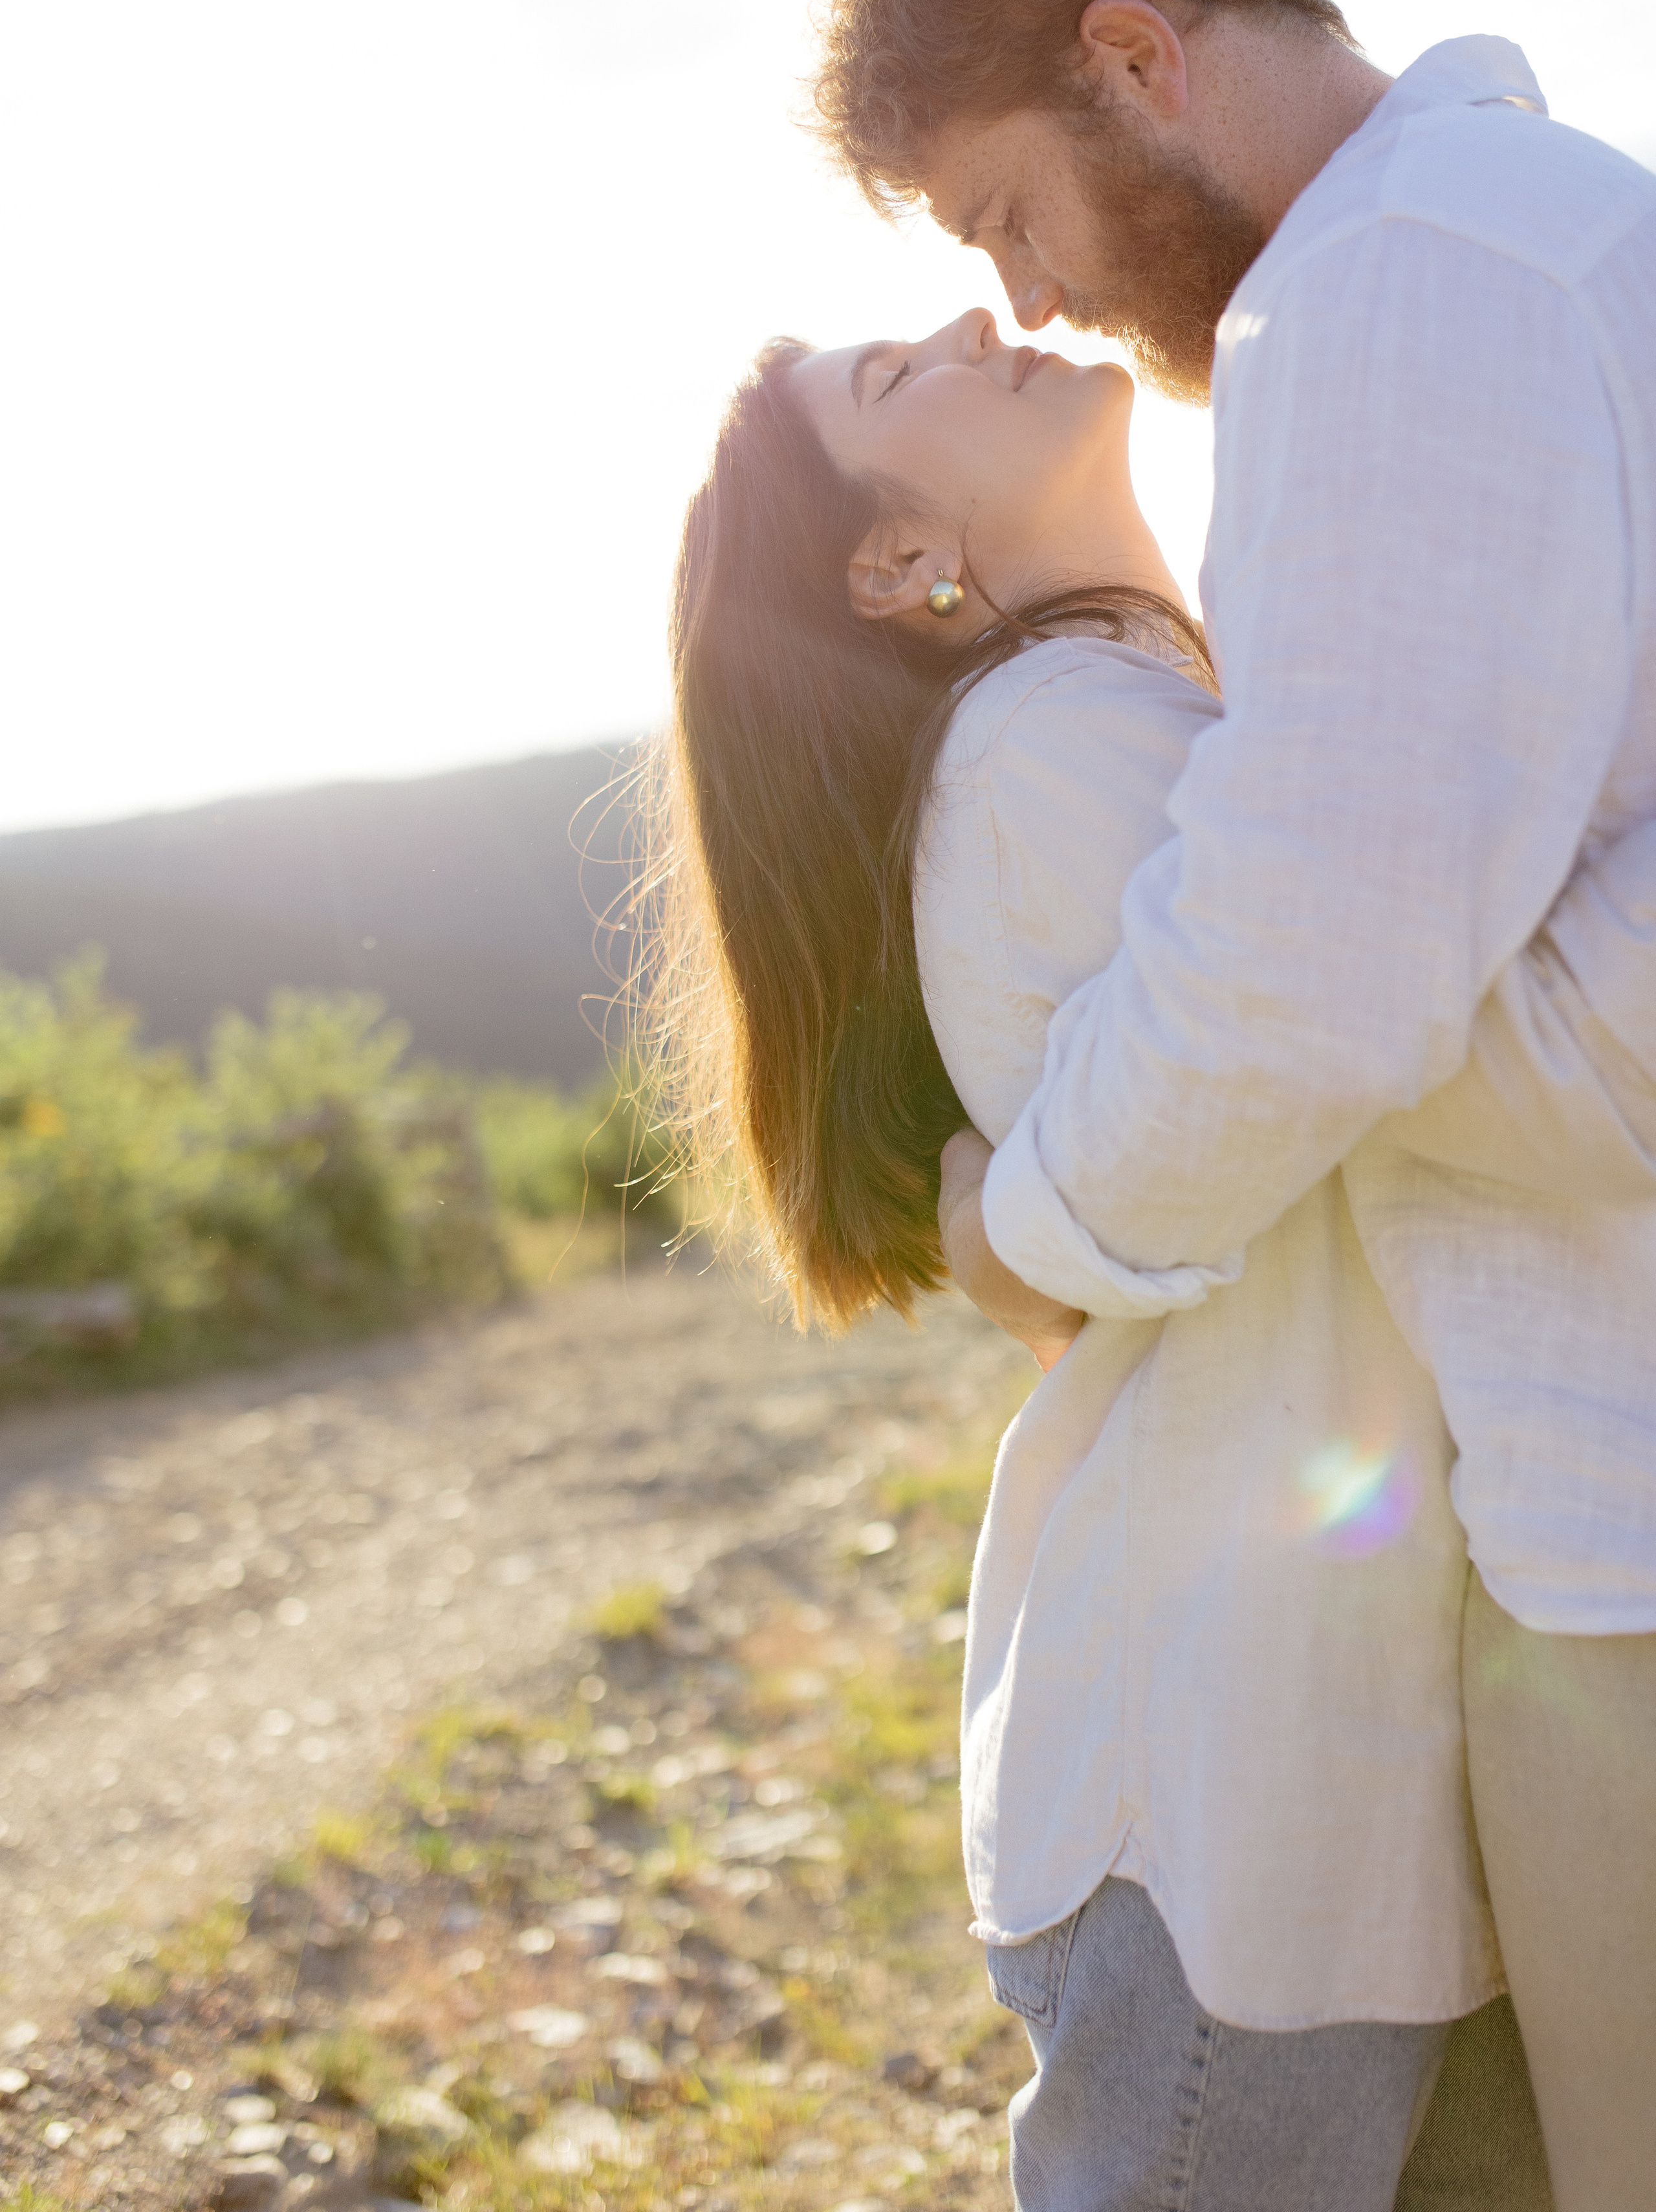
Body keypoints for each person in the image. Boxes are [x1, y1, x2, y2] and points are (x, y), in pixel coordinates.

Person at [809, 0, 1656, 2208]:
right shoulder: (1557, 223)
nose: (1032, 294)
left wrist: (1028, 1227)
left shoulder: (1381, 297)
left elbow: (1304, 972)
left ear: (1137, 59)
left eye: (1009, 210)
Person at [655, 300, 1656, 2204]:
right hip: (1245, 1793)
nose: (969, 313)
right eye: (894, 376)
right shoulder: (1061, 746)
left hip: (1331, 1765)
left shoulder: (1124, 711)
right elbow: (1371, 1017)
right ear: (897, 562)